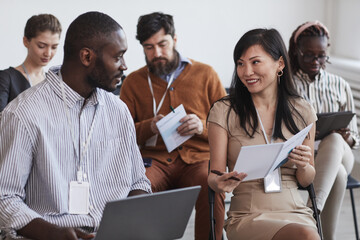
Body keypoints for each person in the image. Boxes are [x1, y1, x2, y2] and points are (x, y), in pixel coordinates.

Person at [0, 11, 152, 240]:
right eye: (118, 57)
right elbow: (5, 199)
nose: (125, 66)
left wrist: (133, 221)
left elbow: (138, 181)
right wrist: (54, 234)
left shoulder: (118, 110)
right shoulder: (23, 114)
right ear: (87, 57)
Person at [120, 12, 227, 240]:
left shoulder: (206, 75)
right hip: (155, 161)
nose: (156, 53)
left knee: (212, 184)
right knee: (139, 188)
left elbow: (229, 129)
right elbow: (120, 135)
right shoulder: (133, 82)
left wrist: (201, 127)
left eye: (162, 44)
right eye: (149, 47)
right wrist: (150, 127)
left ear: (175, 39)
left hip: (198, 160)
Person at [207, 28, 320, 240]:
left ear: (280, 64)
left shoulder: (302, 110)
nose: (246, 71)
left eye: (255, 62)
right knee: (306, 236)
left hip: (294, 210)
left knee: (305, 232)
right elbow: (214, 176)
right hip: (249, 214)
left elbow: (306, 179)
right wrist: (220, 182)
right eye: (240, 63)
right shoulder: (224, 111)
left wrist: (304, 165)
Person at [288, 21, 359, 240]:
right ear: (296, 52)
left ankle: (311, 209)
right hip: (302, 159)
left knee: (336, 138)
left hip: (339, 152)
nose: (316, 61)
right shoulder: (286, 85)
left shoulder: (340, 85)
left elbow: (356, 136)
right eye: (309, 55)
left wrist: (348, 137)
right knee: (337, 175)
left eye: (322, 55)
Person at [0, 13, 62, 112]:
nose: (48, 53)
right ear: (26, 41)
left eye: (54, 47)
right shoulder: (6, 79)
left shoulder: (54, 82)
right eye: (42, 46)